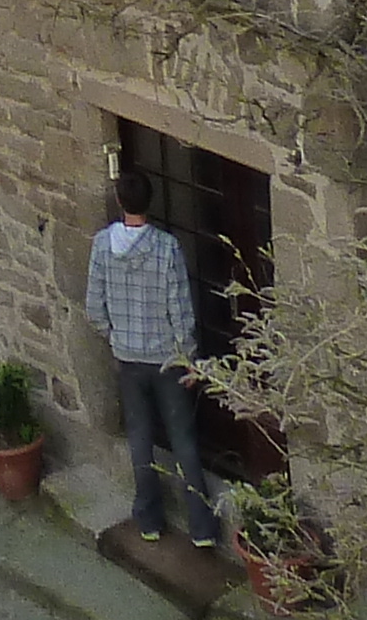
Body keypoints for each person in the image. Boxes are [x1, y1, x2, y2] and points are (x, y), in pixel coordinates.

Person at [84, 168, 223, 549]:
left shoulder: (100, 246)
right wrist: (189, 357)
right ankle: (202, 528)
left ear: (119, 201)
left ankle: (149, 519)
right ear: (150, 202)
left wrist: (114, 337)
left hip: (127, 357)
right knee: (183, 440)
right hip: (166, 358)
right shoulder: (167, 248)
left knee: (140, 437)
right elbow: (179, 308)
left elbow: (94, 306)